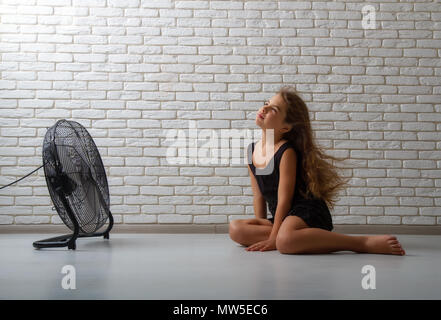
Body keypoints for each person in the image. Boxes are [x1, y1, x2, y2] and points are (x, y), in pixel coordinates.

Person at [229, 86, 405, 255]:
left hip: (304, 211)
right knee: (236, 229)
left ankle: (362, 243)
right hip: (281, 218)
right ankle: (296, 238)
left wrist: (274, 238)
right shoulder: (251, 151)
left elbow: (284, 200)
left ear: (285, 127)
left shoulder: (286, 152)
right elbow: (258, 195)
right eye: (266, 102)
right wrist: (263, 228)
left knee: (284, 242)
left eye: (273, 109)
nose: (265, 108)